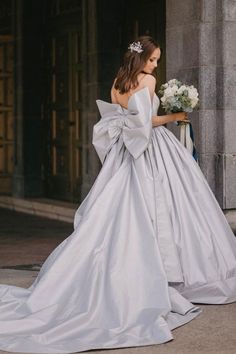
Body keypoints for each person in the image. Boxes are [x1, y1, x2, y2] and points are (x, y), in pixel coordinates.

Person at [0, 35, 236, 354]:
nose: (155, 66)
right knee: (167, 208)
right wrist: (176, 117)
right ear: (142, 60)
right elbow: (147, 123)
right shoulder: (148, 81)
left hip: (123, 156)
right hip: (151, 150)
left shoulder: (116, 83)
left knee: (120, 215)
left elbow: (121, 118)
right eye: (153, 60)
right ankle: (169, 275)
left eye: (156, 61)